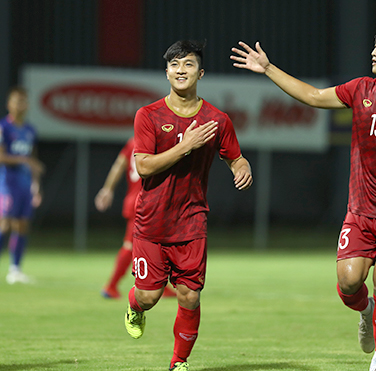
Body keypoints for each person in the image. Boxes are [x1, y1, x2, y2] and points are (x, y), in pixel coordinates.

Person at [232, 14, 376, 371]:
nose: (373, 51)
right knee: (350, 282)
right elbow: (313, 95)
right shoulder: (361, 89)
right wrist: (269, 68)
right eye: (375, 44)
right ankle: (365, 313)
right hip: (360, 211)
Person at [124, 40, 253, 371]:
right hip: (151, 223)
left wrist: (242, 167)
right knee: (149, 297)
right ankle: (133, 306)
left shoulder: (217, 120)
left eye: (189, 65)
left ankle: (178, 363)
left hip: (191, 223)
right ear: (166, 72)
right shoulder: (148, 115)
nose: (181, 71)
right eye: (175, 65)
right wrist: (186, 146)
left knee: (190, 296)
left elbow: (235, 157)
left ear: (201, 73)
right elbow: (144, 166)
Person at [95, 137, 177, 299]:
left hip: (138, 200)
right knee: (131, 245)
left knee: (159, 244)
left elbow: (119, 165)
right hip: (148, 201)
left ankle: (160, 285)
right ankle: (111, 286)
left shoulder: (133, 142)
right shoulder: (159, 143)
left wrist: (108, 189)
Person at [0, 86, 43, 285]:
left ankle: (15, 270)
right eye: (17, 100)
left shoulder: (30, 130)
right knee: (4, 224)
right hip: (7, 185)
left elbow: (33, 161)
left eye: (24, 101)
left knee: (22, 226)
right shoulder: (2, 127)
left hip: (25, 186)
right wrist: (24, 161)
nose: (21, 105)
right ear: (9, 103)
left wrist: (36, 185)